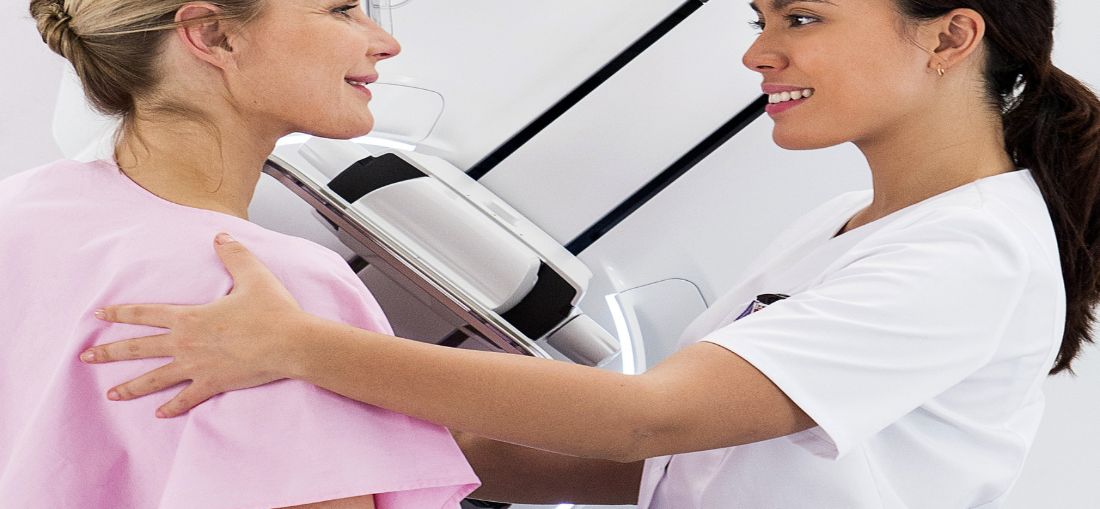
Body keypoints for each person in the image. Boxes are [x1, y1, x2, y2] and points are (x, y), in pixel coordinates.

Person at [81, 0, 1100, 507]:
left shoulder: (973, 252)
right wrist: (406, 463)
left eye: (802, 16)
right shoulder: (843, 221)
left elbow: (651, 417)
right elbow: (672, 463)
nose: (758, 52)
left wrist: (299, 347)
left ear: (948, 37)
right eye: (758, 18)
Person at [0, 1, 480, 507]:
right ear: (213, 35)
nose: (386, 44)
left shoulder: (22, 202)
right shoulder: (267, 289)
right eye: (341, 10)